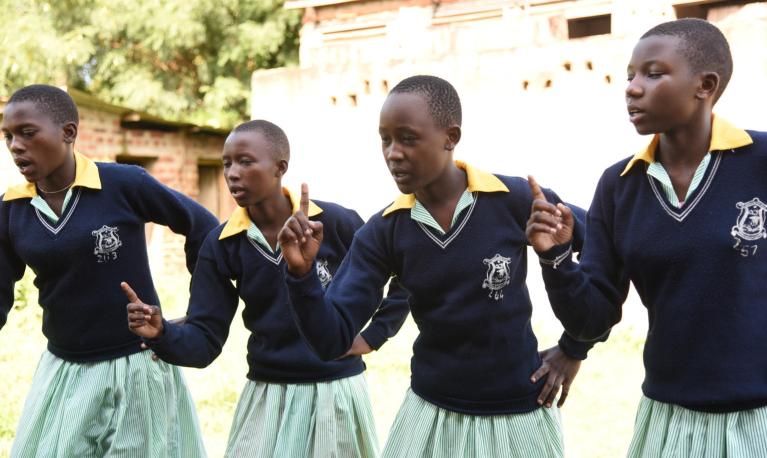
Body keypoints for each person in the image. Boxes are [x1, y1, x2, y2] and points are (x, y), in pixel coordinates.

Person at [278, 75, 598, 457]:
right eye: (385, 139)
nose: (393, 153)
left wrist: (574, 347)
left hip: (518, 414)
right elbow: (331, 340)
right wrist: (301, 276)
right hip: (430, 417)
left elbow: (604, 258)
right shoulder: (384, 232)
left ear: (451, 137)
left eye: (408, 138)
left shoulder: (515, 200)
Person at [526, 18, 767, 457]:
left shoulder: (761, 162)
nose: (633, 88)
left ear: (705, 85)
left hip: (760, 419)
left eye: (653, 74)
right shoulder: (620, 185)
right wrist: (557, 258)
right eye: (630, 75)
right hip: (668, 417)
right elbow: (594, 315)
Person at [125, 119, 410, 458]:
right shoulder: (222, 245)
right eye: (227, 163)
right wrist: (162, 335)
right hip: (266, 392)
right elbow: (205, 338)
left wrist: (374, 335)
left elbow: (405, 274)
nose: (232, 173)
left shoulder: (334, 223)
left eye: (245, 161)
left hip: (334, 391)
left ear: (280, 167)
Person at [0, 84, 216, 457]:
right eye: (8, 136)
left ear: (68, 132)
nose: (15, 146)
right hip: (64, 372)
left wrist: (199, 317)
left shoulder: (122, 184)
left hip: (137, 367)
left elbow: (204, 227)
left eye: (28, 133)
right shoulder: (11, 209)